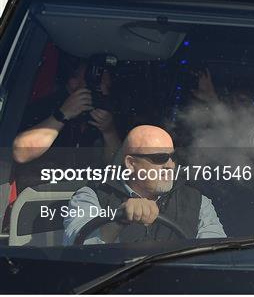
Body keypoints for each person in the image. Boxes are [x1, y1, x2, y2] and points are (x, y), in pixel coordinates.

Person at [63, 125, 226, 245]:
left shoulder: (197, 200)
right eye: (160, 158)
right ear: (131, 163)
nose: (170, 166)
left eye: (171, 157)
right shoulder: (91, 196)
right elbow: (78, 249)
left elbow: (216, 255)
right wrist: (119, 219)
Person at [12, 56, 122, 191]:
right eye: (76, 76)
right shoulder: (43, 109)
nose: (103, 91)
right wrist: (62, 115)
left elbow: (118, 169)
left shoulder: (109, 117)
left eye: (105, 85)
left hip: (87, 201)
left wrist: (109, 131)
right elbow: (20, 153)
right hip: (39, 199)